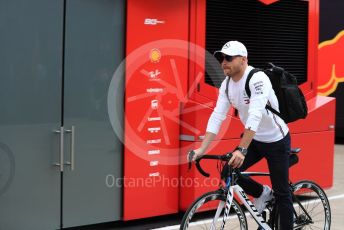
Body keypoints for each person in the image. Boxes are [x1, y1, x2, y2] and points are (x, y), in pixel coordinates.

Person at [189, 41, 293, 229]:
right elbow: (217, 116)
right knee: (228, 170)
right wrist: (202, 149)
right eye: (221, 58)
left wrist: (242, 149)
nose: (223, 62)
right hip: (255, 139)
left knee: (282, 193)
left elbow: (255, 114)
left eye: (229, 58)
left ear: (244, 59)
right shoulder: (227, 85)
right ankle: (261, 193)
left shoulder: (257, 78)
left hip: (276, 140)